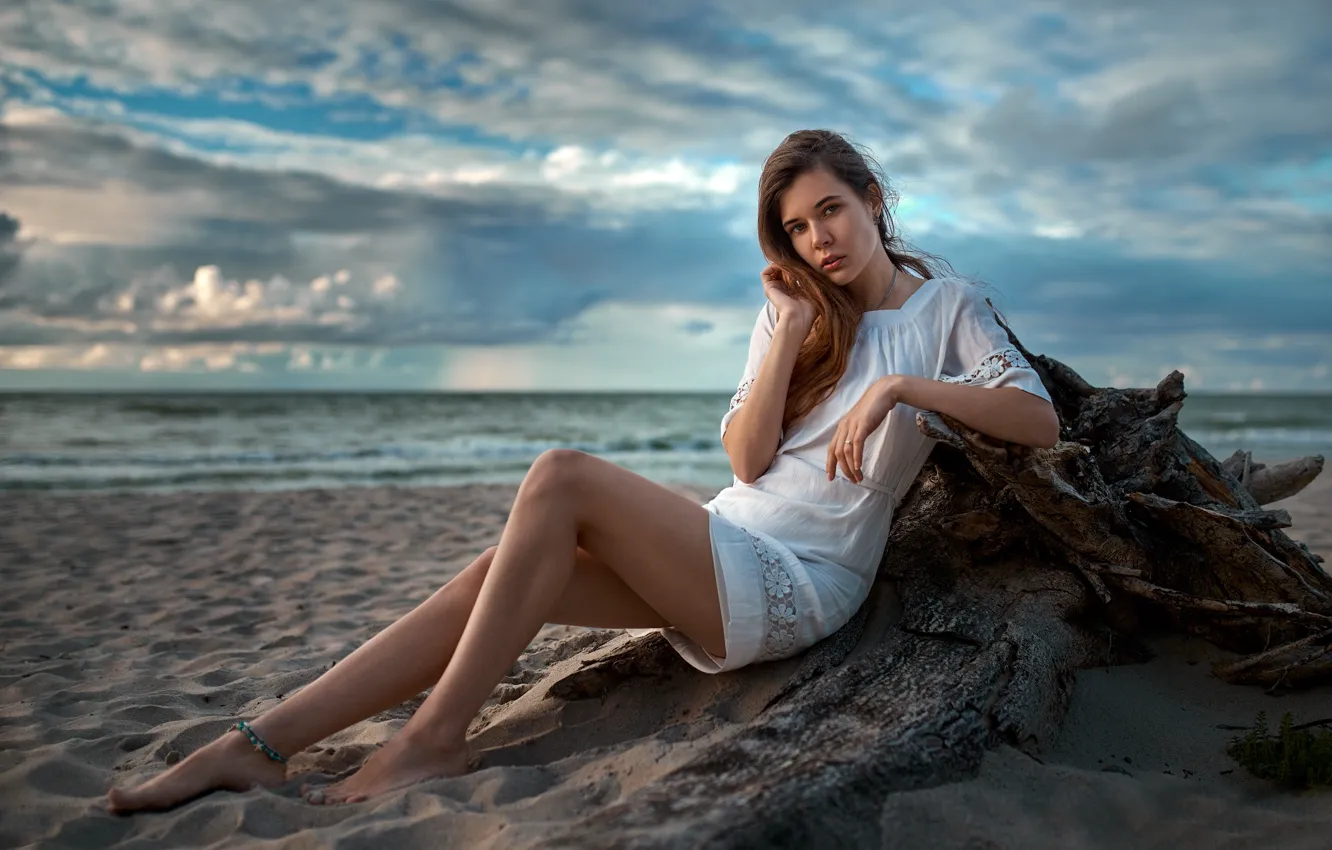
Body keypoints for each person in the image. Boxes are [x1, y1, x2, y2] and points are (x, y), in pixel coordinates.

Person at [105, 129, 1059, 813]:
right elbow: (746, 459)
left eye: (832, 212)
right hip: (730, 540)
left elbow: (1037, 418)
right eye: (799, 228)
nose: (821, 241)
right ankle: (254, 744)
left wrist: (900, 388)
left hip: (804, 579)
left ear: (873, 201)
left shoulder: (948, 310)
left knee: (562, 473)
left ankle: (433, 739)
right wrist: (792, 330)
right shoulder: (796, 311)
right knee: (495, 575)